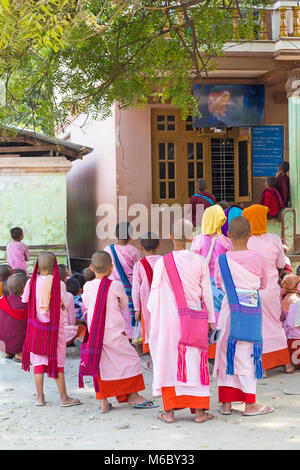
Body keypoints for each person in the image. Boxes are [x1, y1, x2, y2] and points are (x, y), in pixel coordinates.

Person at [148, 219, 215, 424]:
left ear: (170, 237)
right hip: (193, 320)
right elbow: (207, 294)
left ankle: (169, 412)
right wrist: (211, 320)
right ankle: (199, 412)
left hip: (168, 322)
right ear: (191, 238)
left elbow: (153, 298)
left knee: (169, 361)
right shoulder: (199, 261)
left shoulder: (162, 262)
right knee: (194, 361)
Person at [81, 250, 157, 413]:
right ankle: (133, 395)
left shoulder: (87, 286)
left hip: (95, 334)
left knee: (101, 365)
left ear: (91, 268)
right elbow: (123, 304)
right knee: (132, 360)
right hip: (113, 332)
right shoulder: (114, 285)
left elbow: (87, 305)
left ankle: (103, 401)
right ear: (111, 268)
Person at [213, 217, 273, 416]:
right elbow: (263, 285)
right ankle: (249, 404)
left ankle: (226, 404)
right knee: (248, 355)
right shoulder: (258, 258)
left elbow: (219, 284)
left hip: (228, 311)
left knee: (226, 354)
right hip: (250, 311)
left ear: (228, 235)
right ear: (249, 235)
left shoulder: (222, 260)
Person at [22, 252, 82, 407]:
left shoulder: (31, 282)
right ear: (55, 265)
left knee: (38, 363)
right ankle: (64, 398)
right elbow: (65, 304)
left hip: (36, 328)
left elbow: (25, 300)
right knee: (56, 362)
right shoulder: (59, 284)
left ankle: (40, 398)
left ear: (37, 266)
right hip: (55, 330)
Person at [243, 204, 293, 375]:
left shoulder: (246, 242)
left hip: (251, 290)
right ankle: (286, 364)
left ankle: (262, 367)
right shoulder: (274, 239)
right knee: (276, 324)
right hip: (271, 289)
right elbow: (281, 264)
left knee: (257, 327)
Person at [191, 205, 232, 358]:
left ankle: (205, 352)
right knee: (219, 318)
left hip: (202, 284)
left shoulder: (197, 240)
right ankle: (219, 351)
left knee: (204, 318)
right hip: (221, 287)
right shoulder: (225, 242)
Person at [104, 222, 140, 339]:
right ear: (131, 235)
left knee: (116, 312)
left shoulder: (108, 250)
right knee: (129, 312)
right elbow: (137, 269)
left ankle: (117, 336)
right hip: (130, 287)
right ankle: (132, 336)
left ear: (115, 234)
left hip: (112, 287)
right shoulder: (134, 251)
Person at [132, 233, 161, 370]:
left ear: (141, 247)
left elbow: (135, 289)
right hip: (164, 303)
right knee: (163, 331)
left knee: (151, 332)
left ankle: (155, 363)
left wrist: (137, 309)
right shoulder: (165, 261)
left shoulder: (139, 265)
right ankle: (164, 362)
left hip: (147, 305)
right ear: (159, 246)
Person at [0, 274, 27, 362]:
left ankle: (8, 353)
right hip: (17, 345)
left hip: (2, 344)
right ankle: (19, 354)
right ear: (24, 290)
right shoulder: (24, 305)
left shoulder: (1, 301)